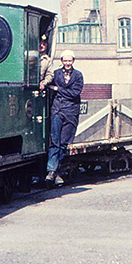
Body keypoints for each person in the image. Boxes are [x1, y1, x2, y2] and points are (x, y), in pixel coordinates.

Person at [45, 49, 83, 186]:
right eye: (65, 60)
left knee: (63, 143)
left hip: (71, 112)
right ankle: (51, 171)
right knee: (54, 142)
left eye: (70, 60)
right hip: (57, 110)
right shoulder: (56, 74)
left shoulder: (78, 75)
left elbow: (75, 93)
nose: (67, 63)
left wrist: (57, 90)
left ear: (73, 61)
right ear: (62, 61)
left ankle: (55, 170)